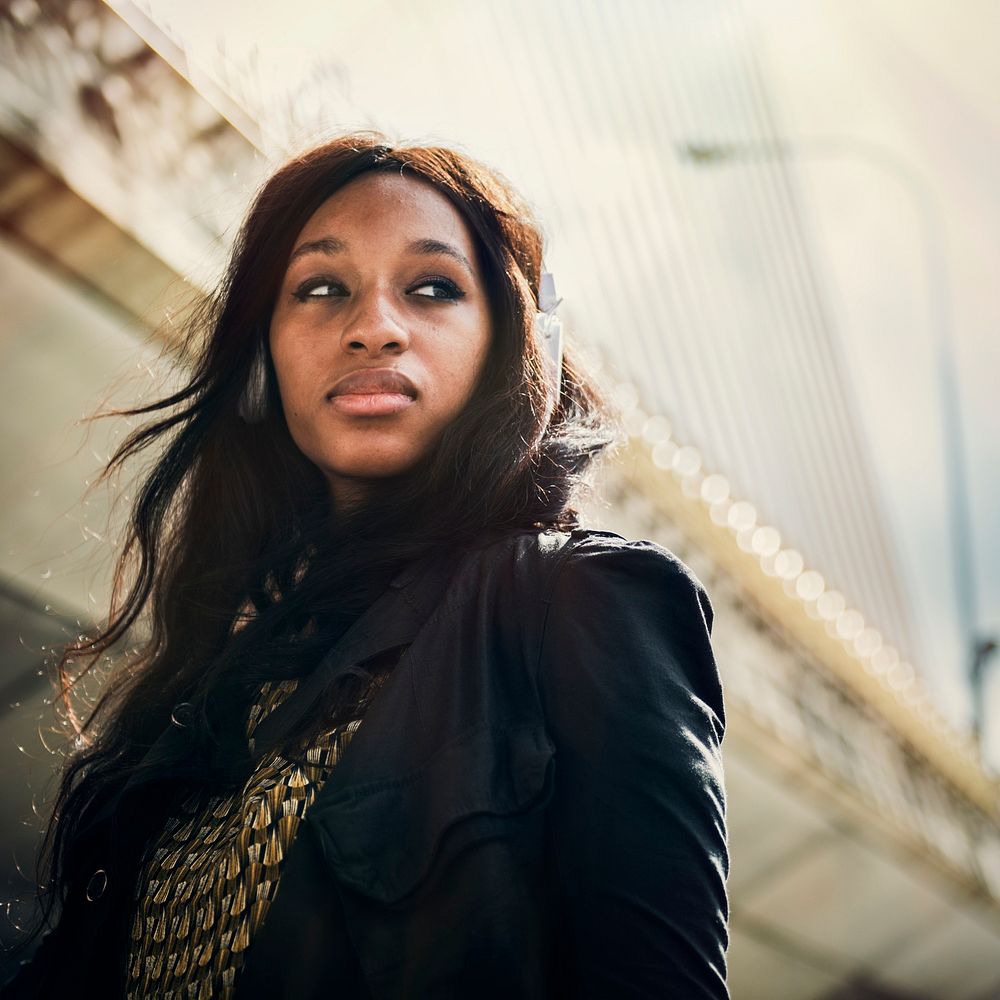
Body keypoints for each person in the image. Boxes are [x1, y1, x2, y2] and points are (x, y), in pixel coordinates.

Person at [2, 132, 730, 998]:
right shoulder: (211, 692)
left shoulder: (580, 600)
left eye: (433, 288)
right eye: (321, 289)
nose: (375, 327)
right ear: (262, 358)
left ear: (510, 346)